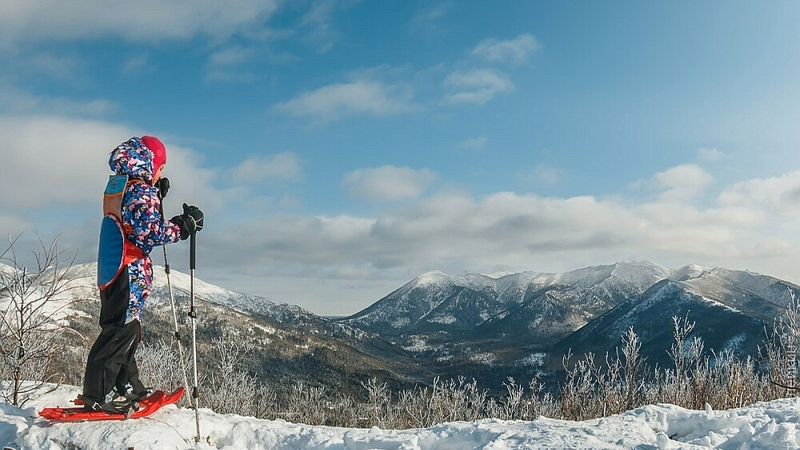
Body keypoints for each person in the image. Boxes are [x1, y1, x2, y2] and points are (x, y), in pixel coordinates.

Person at [80, 136, 203, 413]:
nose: (161, 172)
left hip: (114, 268)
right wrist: (183, 226)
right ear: (149, 162)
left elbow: (132, 220)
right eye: (160, 166)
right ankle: (96, 396)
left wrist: (154, 193)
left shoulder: (120, 185)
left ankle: (127, 387)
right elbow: (150, 231)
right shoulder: (140, 192)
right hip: (128, 270)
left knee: (127, 330)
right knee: (120, 331)